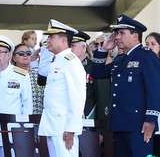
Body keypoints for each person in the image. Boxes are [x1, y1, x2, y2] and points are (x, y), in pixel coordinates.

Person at [92, 14, 160, 157]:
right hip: (120, 123)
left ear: (135, 35)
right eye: (116, 33)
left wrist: (151, 120)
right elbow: (97, 73)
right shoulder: (120, 59)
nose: (116, 37)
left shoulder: (146, 56)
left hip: (139, 125)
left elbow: (155, 89)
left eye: (121, 33)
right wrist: (104, 50)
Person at [38, 19, 86, 157]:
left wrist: (71, 129)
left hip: (64, 127)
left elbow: (77, 97)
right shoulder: (57, 60)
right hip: (53, 125)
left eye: (52, 37)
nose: (48, 40)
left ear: (64, 40)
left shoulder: (71, 62)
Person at [0, 35, 33, 157]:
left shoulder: (21, 75)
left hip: (12, 135)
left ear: (9, 54)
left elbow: (27, 106)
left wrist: (25, 132)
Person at [71, 31, 100, 157]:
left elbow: (100, 97)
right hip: (69, 122)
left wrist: (100, 129)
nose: (69, 49)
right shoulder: (66, 67)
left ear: (83, 47)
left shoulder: (94, 67)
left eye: (73, 45)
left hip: (89, 120)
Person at [12, 43, 44, 114]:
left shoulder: (38, 75)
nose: (25, 55)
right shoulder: (9, 75)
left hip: (37, 119)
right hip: (15, 119)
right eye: (21, 53)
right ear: (14, 58)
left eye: (28, 53)